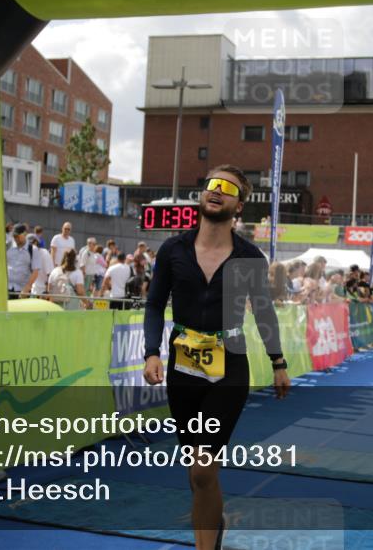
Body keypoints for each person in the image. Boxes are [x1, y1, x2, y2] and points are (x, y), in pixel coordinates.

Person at [143, 165, 289, 550]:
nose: (217, 191)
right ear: (202, 193)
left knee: (205, 469)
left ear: (239, 205)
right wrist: (151, 353)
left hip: (229, 367)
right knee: (197, 475)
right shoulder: (173, 249)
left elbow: (263, 312)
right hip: (182, 367)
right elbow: (155, 304)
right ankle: (212, 529)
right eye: (212, 184)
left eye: (228, 188)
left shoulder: (249, 257)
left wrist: (279, 362)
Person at [6, 223, 43, 299]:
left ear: (25, 234)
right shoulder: (8, 246)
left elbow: (35, 271)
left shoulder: (33, 250)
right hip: (7, 288)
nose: (16, 238)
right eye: (14, 236)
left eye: (17, 236)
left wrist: (27, 287)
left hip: (22, 290)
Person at [27, 234, 54, 298]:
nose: (30, 246)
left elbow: (49, 274)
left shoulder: (44, 253)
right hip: (33, 290)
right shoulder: (29, 253)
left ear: (36, 242)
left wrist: (47, 292)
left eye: (31, 243)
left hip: (42, 292)